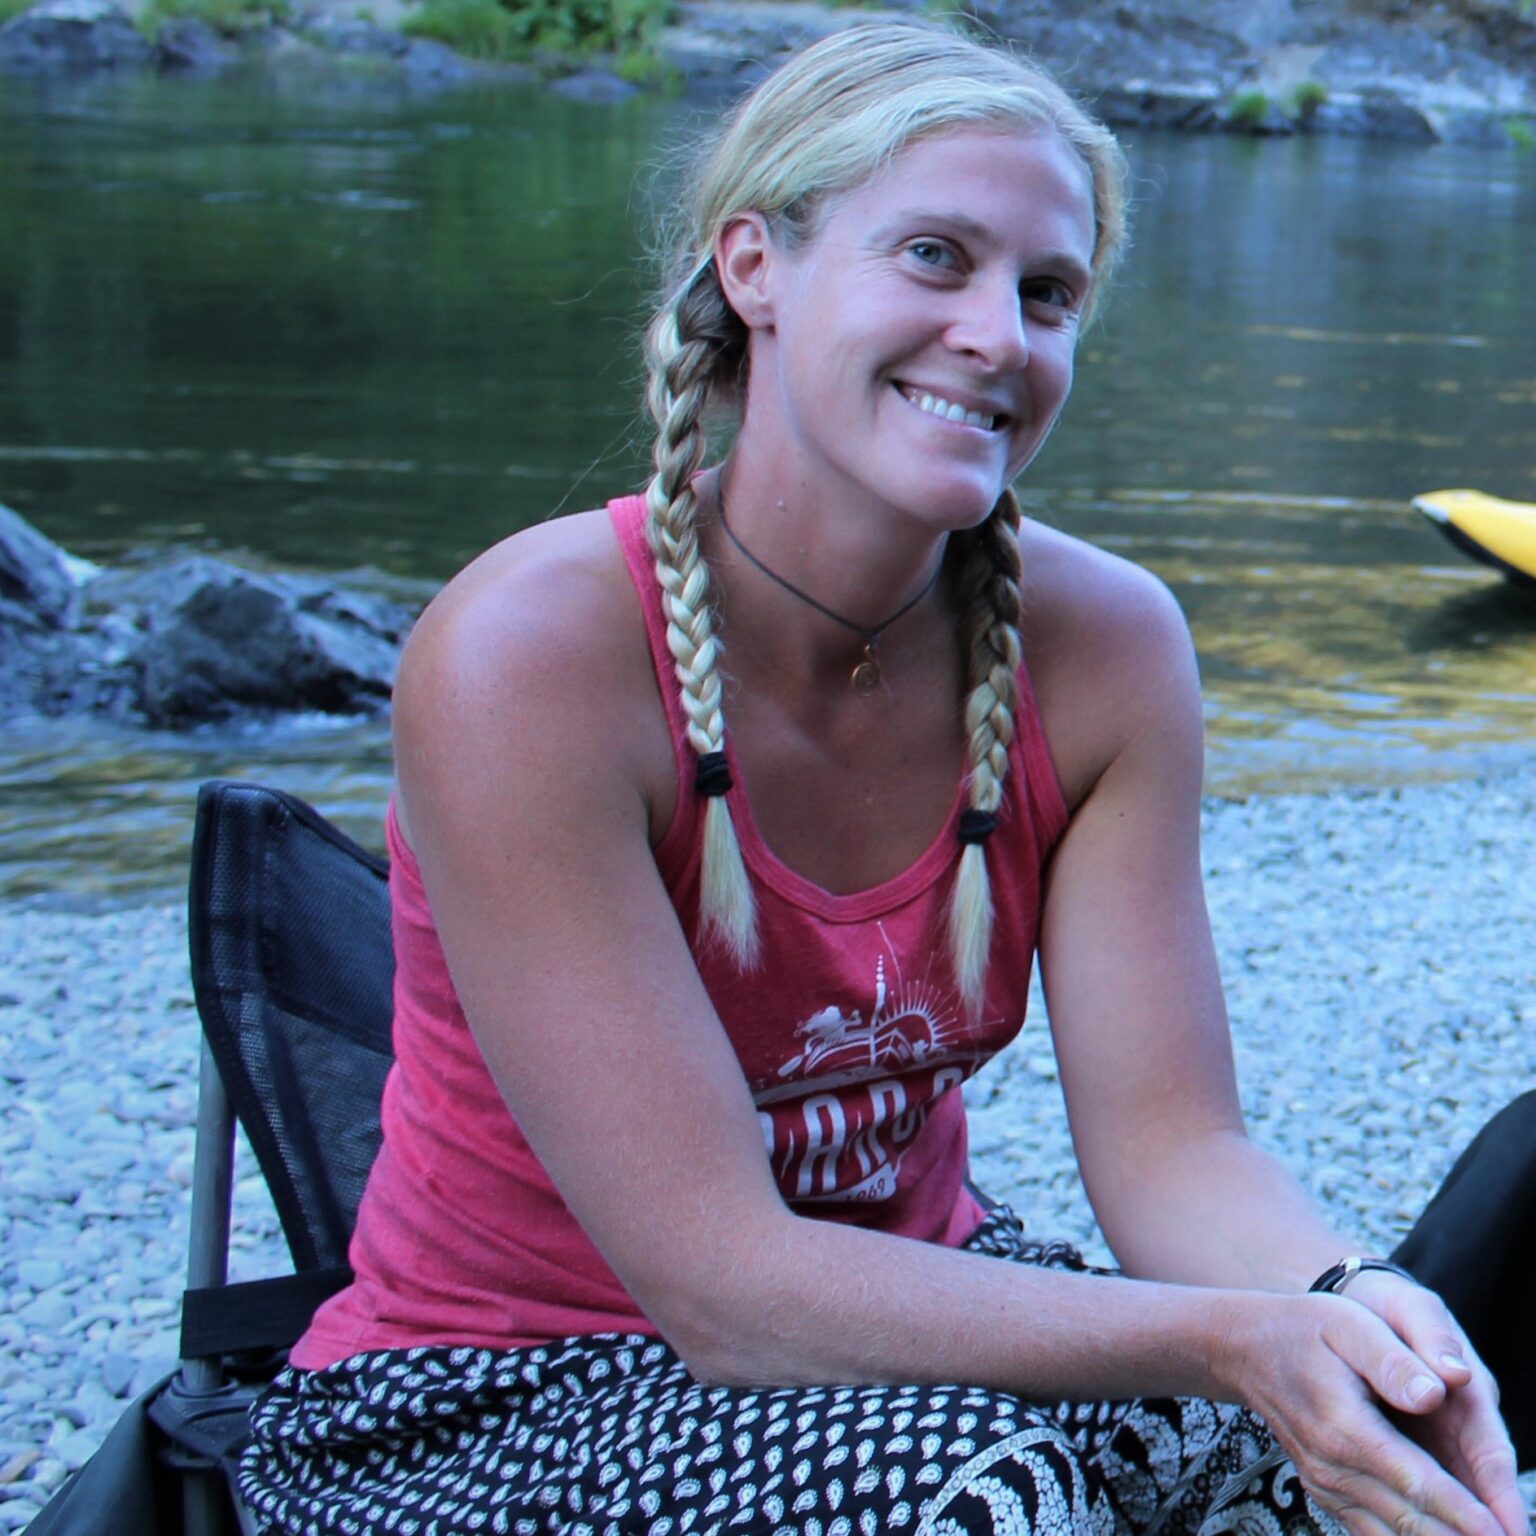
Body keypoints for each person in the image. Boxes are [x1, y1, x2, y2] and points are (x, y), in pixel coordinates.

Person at [237, 22, 1525, 1536]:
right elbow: (722, 1282)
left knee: (1363, 1454)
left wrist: (1346, 1307)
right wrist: (1238, 1344)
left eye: (1047, 294)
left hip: (920, 1323)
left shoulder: (1105, 651)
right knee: (991, 1491)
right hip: (497, 1395)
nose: (998, 335)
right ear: (754, 268)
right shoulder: (530, 656)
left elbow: (1176, 1149)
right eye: (933, 256)